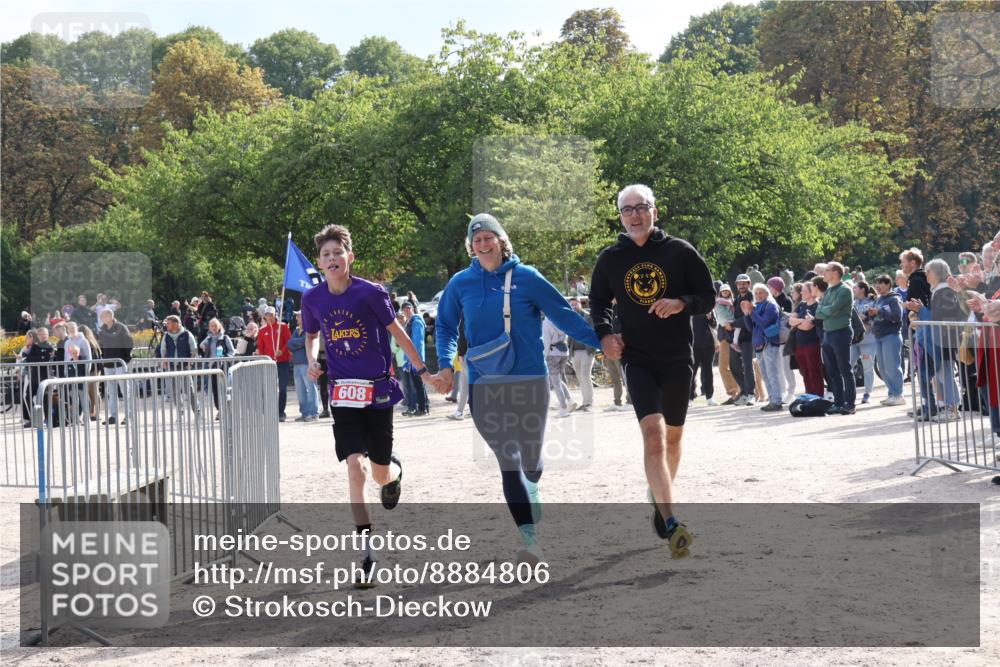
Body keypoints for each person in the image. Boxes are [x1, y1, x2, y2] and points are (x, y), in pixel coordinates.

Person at [433, 213, 600, 564]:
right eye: (476, 240)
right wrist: (446, 363)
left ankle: (533, 483)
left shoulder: (528, 277)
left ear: (501, 240)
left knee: (531, 462)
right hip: (483, 383)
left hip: (529, 379)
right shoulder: (461, 283)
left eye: (488, 237)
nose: (483, 244)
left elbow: (563, 315)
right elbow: (446, 326)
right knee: (507, 459)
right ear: (471, 246)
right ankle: (530, 541)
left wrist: (602, 342)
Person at [302, 224, 435, 585]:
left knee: (379, 473)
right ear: (320, 262)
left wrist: (423, 371)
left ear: (350, 257)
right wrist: (312, 360)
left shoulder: (371, 293)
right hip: (343, 393)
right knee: (355, 468)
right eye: (326, 254)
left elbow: (399, 334)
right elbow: (311, 335)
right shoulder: (313, 298)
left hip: (377, 391)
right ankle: (367, 555)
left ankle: (394, 472)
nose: (332, 259)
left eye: (337, 253)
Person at [589, 184, 714, 559]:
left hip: (677, 358)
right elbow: (598, 301)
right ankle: (672, 523)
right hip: (637, 359)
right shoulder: (611, 258)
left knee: (673, 440)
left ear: (654, 212)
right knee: (654, 437)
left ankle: (659, 498)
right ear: (620, 217)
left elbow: (707, 296)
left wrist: (680, 303)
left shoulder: (680, 251)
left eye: (641, 207)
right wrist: (605, 335)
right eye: (627, 210)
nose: (635, 215)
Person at [905, 258, 965, 422]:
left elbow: (942, 317)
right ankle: (949, 407)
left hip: (944, 339)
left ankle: (953, 409)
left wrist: (921, 310)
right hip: (940, 339)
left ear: (938, 272)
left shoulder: (945, 292)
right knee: (941, 375)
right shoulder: (939, 291)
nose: (926, 274)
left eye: (929, 271)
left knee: (946, 375)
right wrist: (921, 310)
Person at [812, 262, 856, 415]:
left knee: (845, 369)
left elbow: (832, 310)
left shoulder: (845, 290)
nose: (824, 273)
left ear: (836, 272)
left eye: (827, 270)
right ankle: (838, 402)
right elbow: (818, 312)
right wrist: (827, 310)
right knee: (832, 371)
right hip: (828, 333)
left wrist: (826, 310)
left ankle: (849, 404)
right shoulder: (829, 290)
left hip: (841, 333)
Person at [743, 283, 784, 411]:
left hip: (769, 343)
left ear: (767, 293)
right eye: (756, 293)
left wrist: (751, 312)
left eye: (761, 292)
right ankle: (772, 400)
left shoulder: (771, 306)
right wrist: (746, 314)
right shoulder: (757, 306)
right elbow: (751, 328)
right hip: (759, 345)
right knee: (765, 375)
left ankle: (776, 401)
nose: (758, 295)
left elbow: (764, 323)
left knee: (772, 373)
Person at [870, 275, 906, 406]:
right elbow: (876, 317)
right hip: (879, 336)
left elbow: (897, 317)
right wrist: (870, 315)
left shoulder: (894, 299)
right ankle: (892, 394)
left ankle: (898, 395)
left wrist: (879, 312)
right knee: (883, 368)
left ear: (888, 284)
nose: (877, 286)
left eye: (881, 283)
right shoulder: (878, 299)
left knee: (892, 367)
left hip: (891, 335)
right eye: (876, 283)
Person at [96, 309, 134, 425]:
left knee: (125, 390)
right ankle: (113, 416)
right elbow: (101, 345)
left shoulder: (121, 327)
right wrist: (103, 357)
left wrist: (126, 359)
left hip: (120, 363)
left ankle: (129, 415)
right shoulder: (102, 330)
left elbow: (129, 343)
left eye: (104, 316)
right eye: (101, 317)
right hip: (108, 364)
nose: (102, 318)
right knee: (111, 391)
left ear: (110, 316)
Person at [788, 281, 824, 397]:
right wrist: (801, 321)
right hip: (799, 344)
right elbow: (790, 321)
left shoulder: (817, 306)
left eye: (804, 291)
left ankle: (818, 396)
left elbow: (808, 327)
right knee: (805, 372)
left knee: (814, 371)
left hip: (812, 344)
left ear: (811, 292)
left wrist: (797, 322)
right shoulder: (802, 305)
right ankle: (809, 396)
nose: (801, 293)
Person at [158, 314, 201, 411]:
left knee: (189, 389)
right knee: (174, 390)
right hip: (172, 366)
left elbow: (194, 349)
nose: (166, 325)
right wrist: (164, 361)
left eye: (168, 323)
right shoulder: (166, 335)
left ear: (176, 323)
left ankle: (197, 410)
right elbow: (163, 350)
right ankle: (179, 410)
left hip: (185, 366)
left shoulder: (187, 334)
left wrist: (190, 363)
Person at [257, 306, 292, 422]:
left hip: (283, 362)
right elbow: (260, 347)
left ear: (275, 315)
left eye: (271, 315)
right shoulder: (262, 330)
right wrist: (264, 359)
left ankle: (281, 412)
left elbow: (289, 341)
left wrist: (282, 350)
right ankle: (271, 410)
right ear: (265, 317)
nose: (270, 317)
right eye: (267, 315)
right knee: (270, 388)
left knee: (282, 388)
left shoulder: (283, 327)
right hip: (269, 363)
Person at [768, 276, 796, 403]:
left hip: (785, 338)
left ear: (776, 287)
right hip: (774, 338)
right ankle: (782, 391)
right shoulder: (770, 300)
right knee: (778, 367)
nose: (769, 288)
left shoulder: (787, 300)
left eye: (770, 286)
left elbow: (787, 319)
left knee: (786, 366)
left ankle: (791, 391)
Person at [199, 317, 235, 417]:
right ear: (209, 327)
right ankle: (220, 409)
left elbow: (232, 352)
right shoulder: (209, 338)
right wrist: (203, 346)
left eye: (215, 325)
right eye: (211, 326)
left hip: (223, 367)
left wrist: (225, 358)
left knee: (224, 389)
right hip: (212, 368)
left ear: (219, 326)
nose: (214, 328)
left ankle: (227, 409)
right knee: (215, 390)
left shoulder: (225, 338)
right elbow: (201, 344)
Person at [287, 312, 319, 422]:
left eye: (299, 315)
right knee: (300, 391)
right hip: (296, 364)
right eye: (296, 315)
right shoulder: (296, 330)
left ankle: (313, 414)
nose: (296, 317)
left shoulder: (310, 329)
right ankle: (304, 413)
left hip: (307, 363)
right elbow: (289, 344)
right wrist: (302, 343)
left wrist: (298, 343)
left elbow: (306, 341)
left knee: (311, 389)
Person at [20, 327, 56, 426]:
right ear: (38, 336)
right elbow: (29, 359)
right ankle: (34, 419)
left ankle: (48, 419)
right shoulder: (35, 346)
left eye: (45, 334)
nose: (44, 336)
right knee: (28, 396)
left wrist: (33, 357)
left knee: (46, 398)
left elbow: (45, 360)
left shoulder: (51, 346)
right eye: (41, 334)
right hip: (35, 376)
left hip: (46, 376)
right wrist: (35, 357)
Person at [542, 315, 576, 417]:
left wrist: (545, 355)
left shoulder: (546, 323)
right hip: (564, 353)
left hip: (552, 354)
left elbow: (546, 341)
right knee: (559, 380)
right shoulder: (561, 320)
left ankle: (563, 408)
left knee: (556, 383)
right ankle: (570, 400)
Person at [566, 298, 596, 412]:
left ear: (580, 304)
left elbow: (594, 331)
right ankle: (585, 402)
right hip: (574, 351)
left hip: (587, 351)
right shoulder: (571, 317)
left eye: (575, 304)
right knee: (580, 377)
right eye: (572, 305)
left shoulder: (588, 316)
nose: (574, 307)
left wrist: (593, 347)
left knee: (585, 376)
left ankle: (589, 403)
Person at [713, 284, 741, 404]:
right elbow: (721, 320)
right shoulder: (719, 303)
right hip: (726, 337)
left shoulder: (735, 302)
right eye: (723, 291)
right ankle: (736, 392)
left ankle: (737, 393)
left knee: (733, 366)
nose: (725, 293)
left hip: (734, 336)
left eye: (727, 291)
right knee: (725, 366)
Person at [400, 301, 429, 416]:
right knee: (417, 384)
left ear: (412, 309)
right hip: (412, 358)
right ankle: (422, 408)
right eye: (404, 310)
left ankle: (423, 409)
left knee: (418, 384)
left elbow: (418, 341)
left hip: (416, 359)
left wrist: (415, 359)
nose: (406, 311)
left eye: (408, 309)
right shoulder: (410, 322)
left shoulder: (416, 322)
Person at [851, 281, 877, 403]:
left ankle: (867, 393)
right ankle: (848, 392)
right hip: (854, 341)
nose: (853, 289)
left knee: (867, 367)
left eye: (855, 287)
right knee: (848, 365)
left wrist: (866, 321)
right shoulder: (853, 303)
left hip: (868, 340)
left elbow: (875, 320)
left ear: (862, 289)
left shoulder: (872, 302)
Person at [690, 309, 718, 406]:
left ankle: (709, 397)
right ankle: (690, 398)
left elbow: (715, 325)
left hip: (708, 345)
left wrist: (710, 318)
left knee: (708, 372)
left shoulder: (708, 308)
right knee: (692, 372)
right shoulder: (689, 309)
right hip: (693, 346)